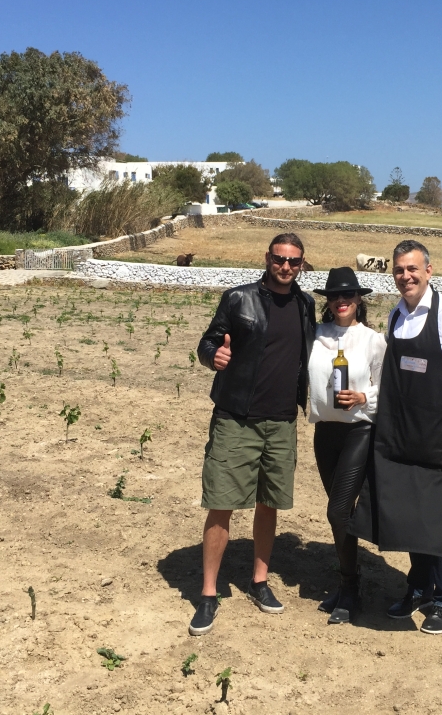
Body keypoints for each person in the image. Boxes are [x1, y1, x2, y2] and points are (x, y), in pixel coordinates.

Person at [350, 239, 442, 635]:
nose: (405, 276)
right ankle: (419, 588)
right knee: (412, 515)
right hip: (403, 434)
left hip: (440, 437)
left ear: (429, 271)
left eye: (412, 269)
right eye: (398, 270)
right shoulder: (396, 316)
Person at [189, 233, 317, 636]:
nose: (285, 267)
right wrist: (215, 355)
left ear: (302, 265)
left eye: (294, 262)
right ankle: (208, 593)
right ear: (267, 258)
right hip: (237, 418)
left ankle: (259, 581)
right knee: (222, 501)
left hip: (281, 421)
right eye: (279, 259)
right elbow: (207, 341)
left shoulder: (305, 304)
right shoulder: (238, 298)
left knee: (269, 503)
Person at [307, 267, 386, 625]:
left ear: (359, 300)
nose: (342, 301)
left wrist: (363, 396)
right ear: (328, 301)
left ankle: (350, 586)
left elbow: (387, 390)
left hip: (358, 432)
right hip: (325, 433)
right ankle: (347, 581)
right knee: (339, 512)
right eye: (335, 296)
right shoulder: (315, 335)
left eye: (349, 296)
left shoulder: (373, 340)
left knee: (338, 511)